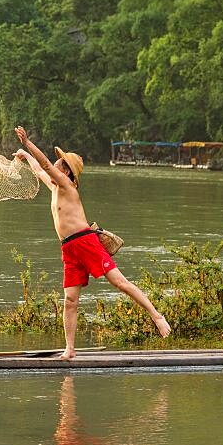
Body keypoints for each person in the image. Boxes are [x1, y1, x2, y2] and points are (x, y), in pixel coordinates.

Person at [14, 126, 171, 360]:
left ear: (66, 171)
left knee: (120, 283)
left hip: (85, 242)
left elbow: (45, 164)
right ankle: (70, 349)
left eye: (60, 162)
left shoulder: (68, 187)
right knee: (70, 300)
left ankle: (157, 316)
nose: (56, 163)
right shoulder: (55, 187)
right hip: (69, 248)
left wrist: (28, 143)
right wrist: (26, 156)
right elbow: (40, 171)